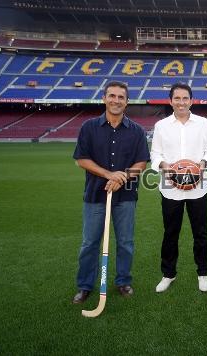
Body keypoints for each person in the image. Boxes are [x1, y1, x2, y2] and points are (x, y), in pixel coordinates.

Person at [72, 81, 150, 304]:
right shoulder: (89, 127)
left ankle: (123, 281)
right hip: (95, 196)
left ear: (127, 101)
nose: (116, 100)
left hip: (125, 197)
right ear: (104, 98)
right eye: (112, 96)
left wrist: (121, 177)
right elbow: (81, 159)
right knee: (89, 243)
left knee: (125, 242)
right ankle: (85, 285)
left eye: (121, 97)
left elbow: (141, 162)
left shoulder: (136, 131)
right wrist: (108, 174)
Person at [150, 82, 207, 293]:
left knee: (200, 233)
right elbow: (155, 154)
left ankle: (203, 273)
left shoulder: (203, 123)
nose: (181, 102)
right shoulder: (161, 125)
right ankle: (168, 274)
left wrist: (203, 164)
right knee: (170, 233)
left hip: (198, 188)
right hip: (171, 189)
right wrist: (165, 166)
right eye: (176, 98)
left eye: (185, 98)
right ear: (170, 101)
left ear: (191, 100)